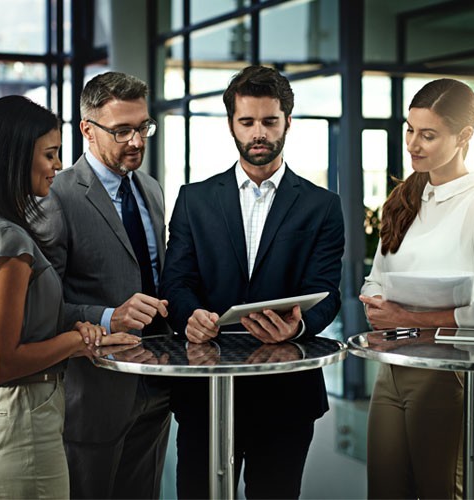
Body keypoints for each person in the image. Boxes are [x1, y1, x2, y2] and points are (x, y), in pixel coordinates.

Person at [159, 65, 345, 499]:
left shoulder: (323, 206)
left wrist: (298, 327)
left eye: (269, 121)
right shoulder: (194, 200)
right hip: (206, 391)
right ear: (231, 125)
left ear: (287, 122)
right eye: (247, 122)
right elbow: (177, 280)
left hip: (286, 394)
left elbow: (328, 289)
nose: (258, 133)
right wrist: (190, 317)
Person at [0, 95, 139, 498]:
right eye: (50, 154)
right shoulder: (11, 240)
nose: (58, 165)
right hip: (20, 421)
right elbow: (2, 362)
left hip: (8, 415)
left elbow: (22, 328)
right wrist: (78, 341)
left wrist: (84, 331)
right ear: (16, 157)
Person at [359, 78, 474, 499]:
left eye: (428, 135)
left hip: (445, 376)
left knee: (441, 492)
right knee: (384, 491)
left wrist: (410, 318)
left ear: (464, 137)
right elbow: (376, 274)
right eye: (409, 130)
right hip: (391, 369)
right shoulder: (403, 198)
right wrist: (375, 300)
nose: (413, 143)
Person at [33, 71, 172, 499]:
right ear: (87, 131)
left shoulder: (150, 188)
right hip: (95, 394)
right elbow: (43, 308)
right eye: (122, 131)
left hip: (157, 384)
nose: (136, 142)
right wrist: (109, 318)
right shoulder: (56, 196)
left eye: (143, 127)